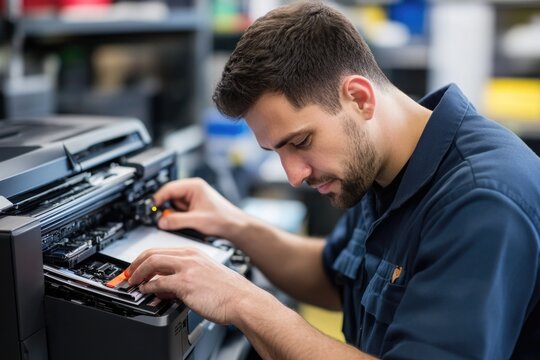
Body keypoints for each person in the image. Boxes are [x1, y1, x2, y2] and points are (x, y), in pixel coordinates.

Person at [126, 2, 540, 359]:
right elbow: (334, 279)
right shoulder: (383, 163)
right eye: (276, 152)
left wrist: (241, 300)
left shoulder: (481, 202)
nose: (293, 176)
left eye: (301, 141)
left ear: (359, 97)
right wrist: (232, 224)